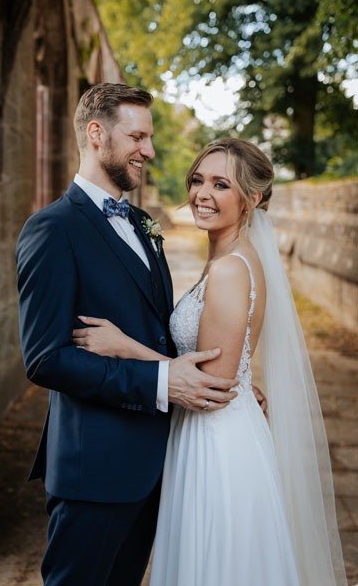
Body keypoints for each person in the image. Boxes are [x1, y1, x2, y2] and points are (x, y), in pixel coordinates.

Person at [16, 85, 266, 586]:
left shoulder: (142, 224)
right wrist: (161, 380)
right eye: (138, 137)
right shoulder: (52, 229)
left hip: (160, 464)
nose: (149, 151)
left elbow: (163, 333)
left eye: (148, 138)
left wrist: (224, 372)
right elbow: (46, 360)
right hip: (96, 470)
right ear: (95, 134)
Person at [74, 138, 347, 585]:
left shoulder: (229, 269)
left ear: (251, 199)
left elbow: (209, 388)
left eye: (221, 184)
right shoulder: (225, 259)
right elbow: (225, 365)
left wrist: (124, 345)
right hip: (214, 432)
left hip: (217, 445)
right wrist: (242, 378)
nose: (202, 193)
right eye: (198, 180)